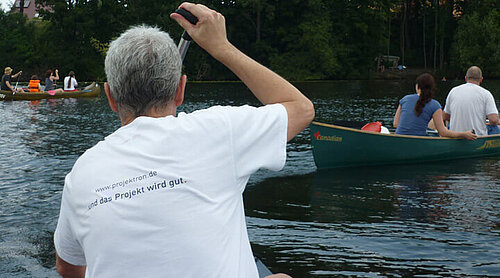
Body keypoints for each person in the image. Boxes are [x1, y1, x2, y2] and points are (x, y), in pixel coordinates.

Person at [54, 3, 313, 278]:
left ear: (110, 97)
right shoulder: (218, 130)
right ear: (180, 90)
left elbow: (67, 267)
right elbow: (301, 108)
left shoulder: (81, 173)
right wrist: (221, 47)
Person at [393, 73, 476, 140]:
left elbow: (396, 124)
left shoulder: (405, 99)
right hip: (419, 141)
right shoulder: (435, 105)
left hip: (399, 138)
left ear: (417, 86)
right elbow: (443, 132)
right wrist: (464, 134)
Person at [443, 66, 499, 136]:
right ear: (481, 79)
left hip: (455, 137)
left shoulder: (453, 91)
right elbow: (493, 120)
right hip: (476, 138)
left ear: (466, 78)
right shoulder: (486, 94)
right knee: (495, 127)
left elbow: (445, 116)